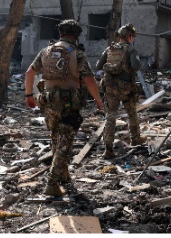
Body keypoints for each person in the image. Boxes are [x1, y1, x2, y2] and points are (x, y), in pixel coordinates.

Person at [25, 19, 103, 197]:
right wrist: (98, 100)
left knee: (55, 140)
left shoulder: (45, 51)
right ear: (75, 35)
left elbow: (30, 72)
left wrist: (29, 96)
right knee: (65, 143)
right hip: (69, 104)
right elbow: (89, 80)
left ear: (60, 33)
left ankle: (64, 175)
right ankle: (52, 183)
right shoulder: (78, 54)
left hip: (48, 102)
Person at [96, 23, 147, 159]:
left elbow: (98, 66)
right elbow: (136, 66)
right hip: (126, 89)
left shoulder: (110, 49)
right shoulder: (131, 49)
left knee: (110, 116)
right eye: (132, 37)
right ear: (129, 36)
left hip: (110, 87)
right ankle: (135, 138)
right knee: (131, 113)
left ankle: (108, 149)